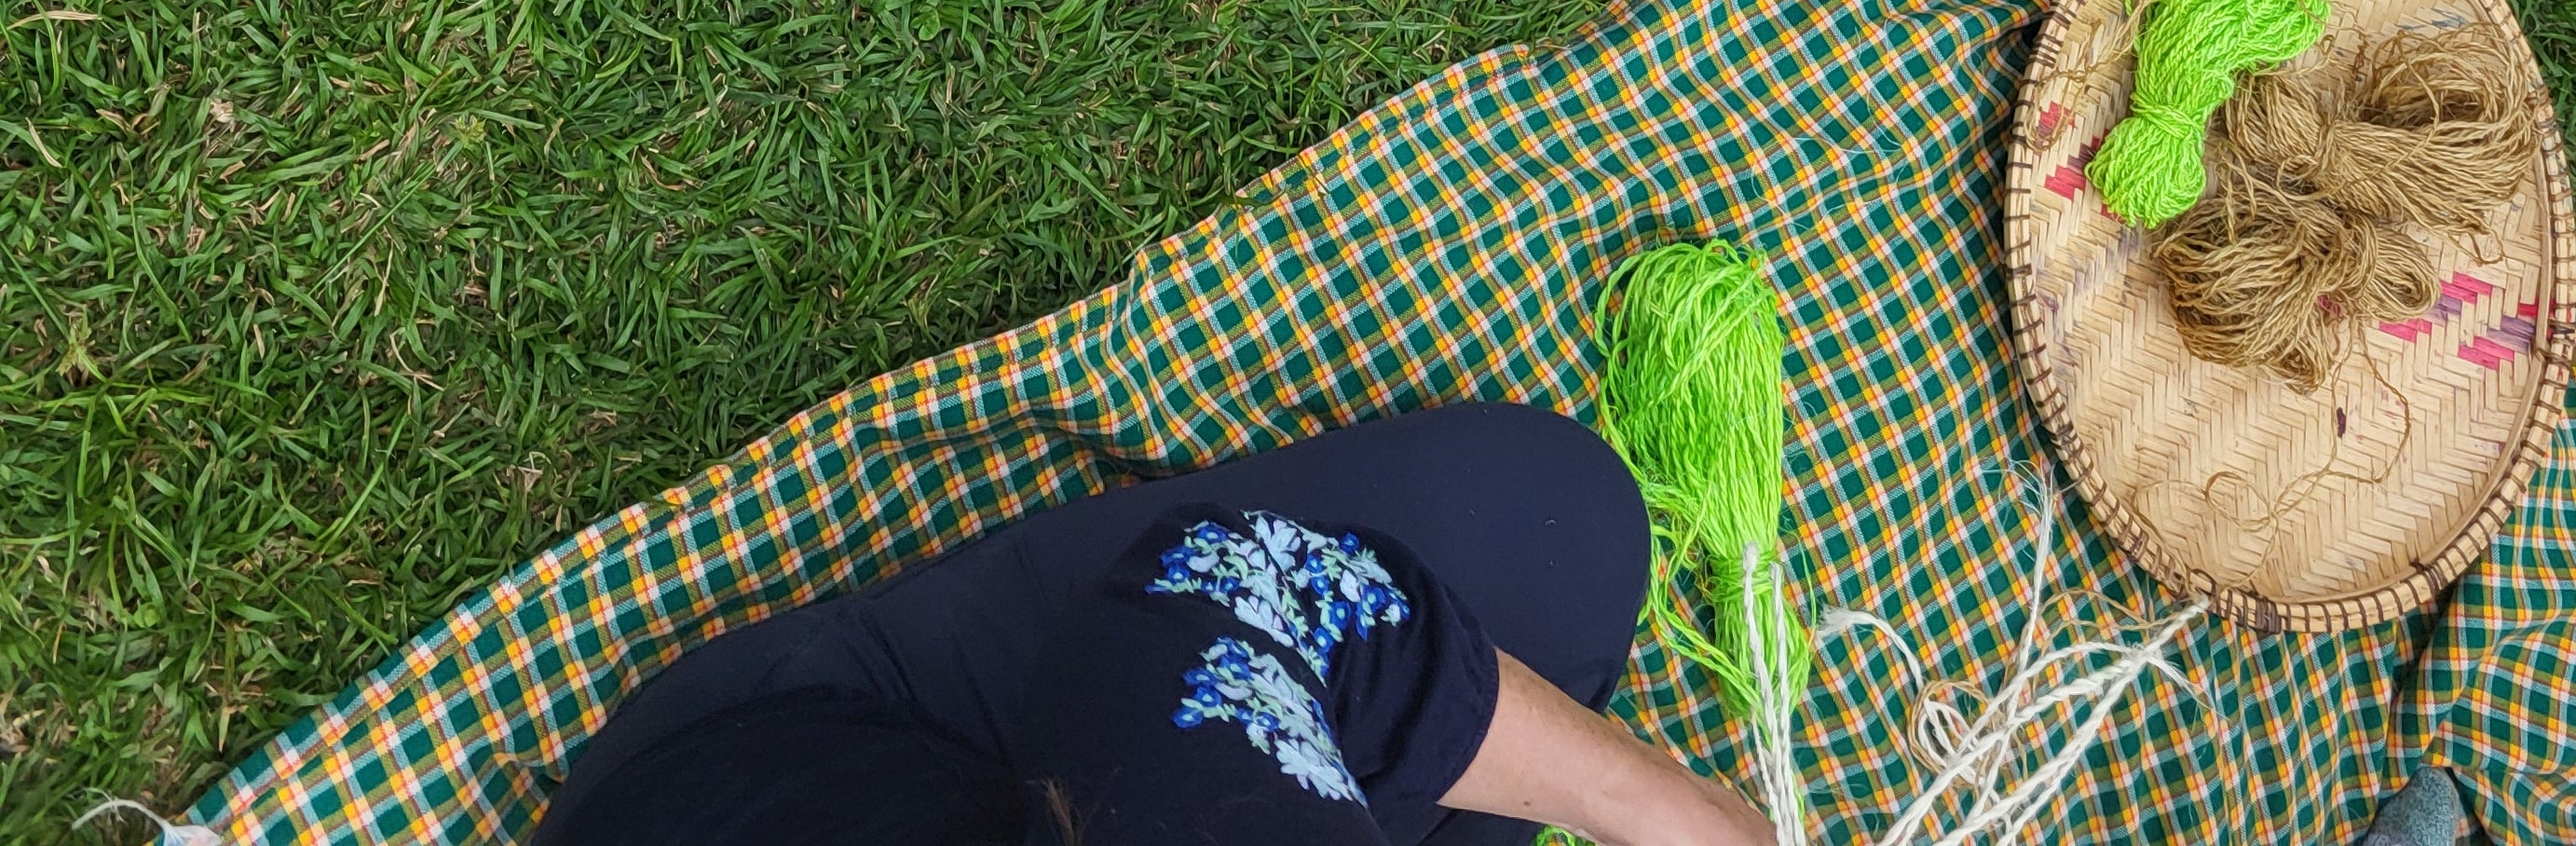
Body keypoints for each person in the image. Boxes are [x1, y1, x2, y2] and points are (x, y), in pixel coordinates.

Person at [526, 402, 1765, 846]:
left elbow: (1232, 592)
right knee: (1562, 558)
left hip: (776, 782)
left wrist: (1661, 811)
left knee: (1560, 526)